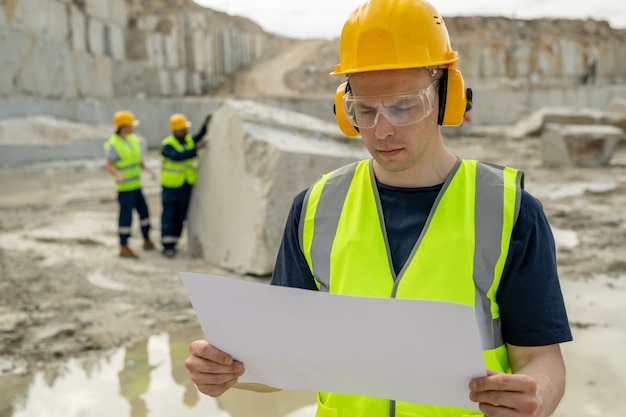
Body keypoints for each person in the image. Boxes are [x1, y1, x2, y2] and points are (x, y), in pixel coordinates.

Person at [185, 0, 572, 416]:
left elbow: (540, 357)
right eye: (365, 111)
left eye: (404, 107)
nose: (381, 130)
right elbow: (282, 361)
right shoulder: (316, 208)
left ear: (446, 97)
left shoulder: (509, 211)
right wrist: (227, 369)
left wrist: (537, 398)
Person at [104, 110, 156, 258]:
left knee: (144, 213)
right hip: (125, 188)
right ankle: (124, 246)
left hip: (136, 186)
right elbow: (109, 166)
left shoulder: (133, 139)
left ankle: (147, 239)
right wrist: (118, 174)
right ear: (123, 127)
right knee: (126, 217)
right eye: (130, 125)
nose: (133, 128)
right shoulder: (114, 144)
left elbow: (137, 158)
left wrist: (146, 168)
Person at [160, 113, 211, 258]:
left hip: (185, 185)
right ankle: (167, 246)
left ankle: (174, 241)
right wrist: (196, 149)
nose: (185, 132)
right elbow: (178, 156)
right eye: (182, 130)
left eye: (185, 129)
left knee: (180, 216)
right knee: (169, 215)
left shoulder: (187, 140)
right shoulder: (168, 144)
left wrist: (205, 125)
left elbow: (198, 137)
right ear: (175, 130)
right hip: (171, 187)